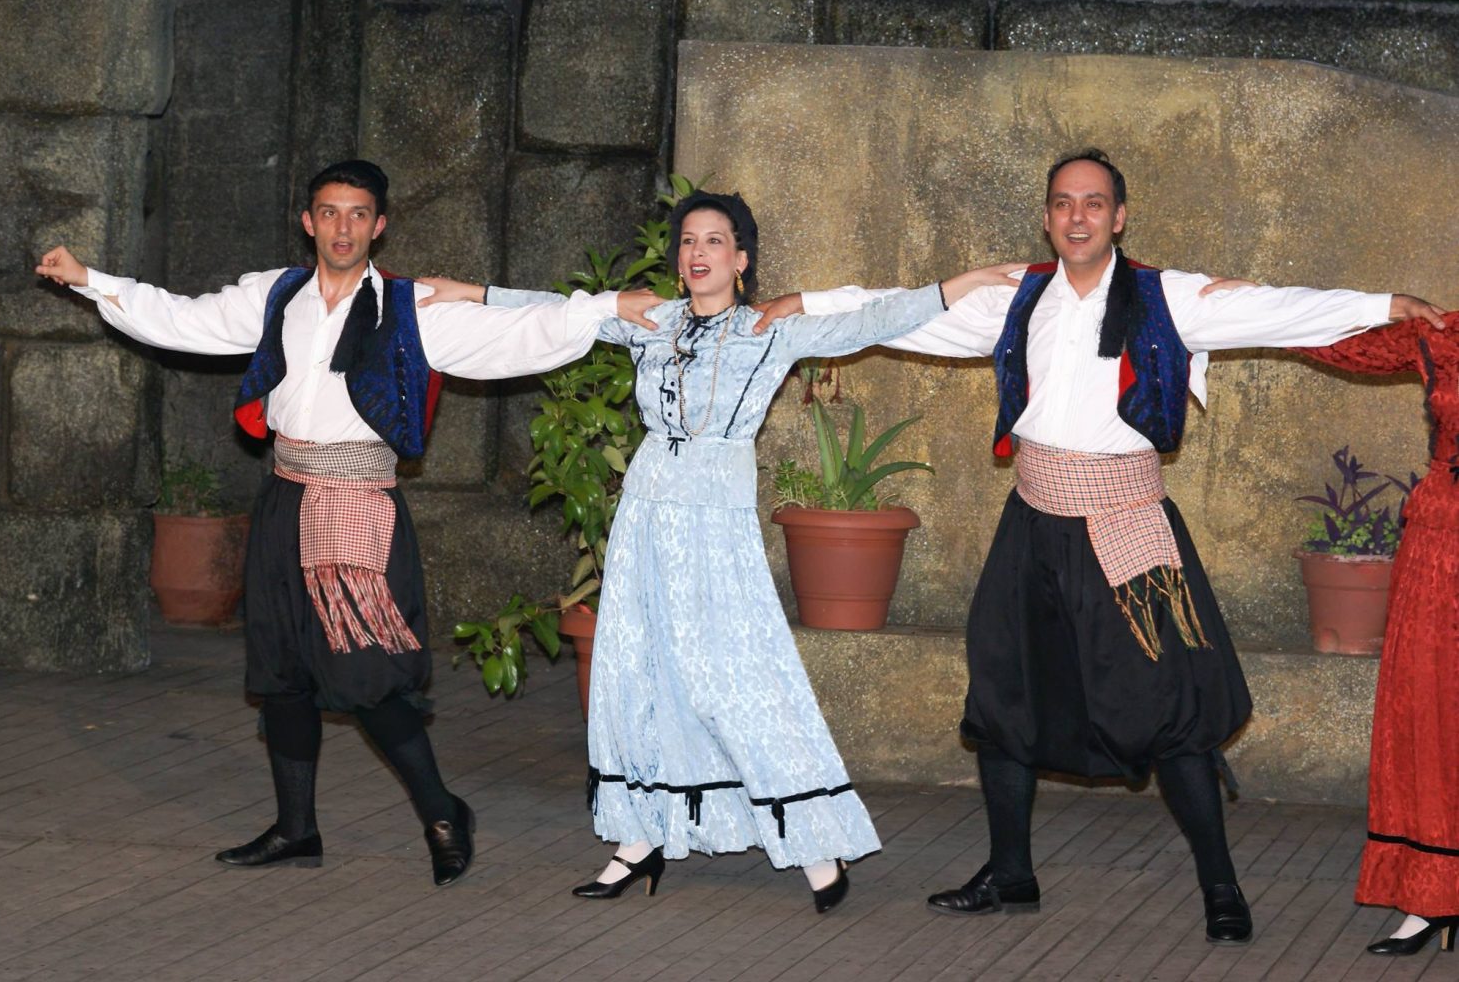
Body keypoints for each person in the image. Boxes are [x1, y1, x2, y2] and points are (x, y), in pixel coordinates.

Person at [772, 148, 1446, 943]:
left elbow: (1272, 307)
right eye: (1064, 203)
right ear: (1049, 216)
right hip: (1031, 523)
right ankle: (1010, 871)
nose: (1078, 216)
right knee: (1003, 695)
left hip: (1125, 525)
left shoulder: (1168, 296)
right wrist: (804, 303)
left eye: (1094, 203)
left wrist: (1381, 304)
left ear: (1118, 216)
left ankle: (1222, 887)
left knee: (1169, 710)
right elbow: (900, 310)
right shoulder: (1015, 298)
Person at [35, 159, 655, 887]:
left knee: (365, 672)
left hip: (356, 506)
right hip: (284, 499)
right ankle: (296, 829)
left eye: (358, 214)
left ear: (379, 225)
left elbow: (518, 333)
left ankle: (443, 811)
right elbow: (183, 318)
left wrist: (606, 305)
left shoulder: (409, 308)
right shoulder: (277, 294)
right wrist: (90, 279)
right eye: (329, 212)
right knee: (282, 672)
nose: (343, 227)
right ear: (308, 221)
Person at [421, 190, 1018, 912]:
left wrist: (957, 286)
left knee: (736, 670)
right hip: (646, 508)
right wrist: (474, 292)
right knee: (634, 665)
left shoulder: (770, 330)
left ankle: (813, 842)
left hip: (715, 513)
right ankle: (638, 842)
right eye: (688, 242)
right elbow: (559, 308)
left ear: (741, 260)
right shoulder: (653, 321)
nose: (697, 252)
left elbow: (873, 321)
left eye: (714, 241)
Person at [1296, 320, 1459, 957]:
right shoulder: (1440, 336)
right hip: (1441, 542)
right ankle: (1430, 900)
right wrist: (1218, 302)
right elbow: (1331, 335)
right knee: (1424, 707)